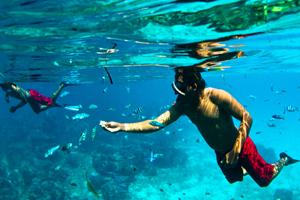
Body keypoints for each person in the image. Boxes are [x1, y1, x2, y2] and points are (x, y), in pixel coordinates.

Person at [100, 67, 299, 187]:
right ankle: (248, 169)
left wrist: (237, 149)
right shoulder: (183, 105)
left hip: (242, 146)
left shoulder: (215, 96)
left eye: (182, 91)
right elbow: (157, 123)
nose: (178, 96)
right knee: (235, 179)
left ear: (194, 87)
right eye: (177, 91)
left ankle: (282, 160)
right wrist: (123, 126)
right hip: (221, 153)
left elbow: (247, 117)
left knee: (264, 181)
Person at [0, 82, 68, 113]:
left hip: (30, 95)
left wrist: (16, 107)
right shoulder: (9, 92)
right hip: (30, 94)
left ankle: (62, 86)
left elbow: (22, 97)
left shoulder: (12, 88)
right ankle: (53, 104)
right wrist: (7, 97)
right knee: (40, 108)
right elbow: (23, 100)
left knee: (48, 102)